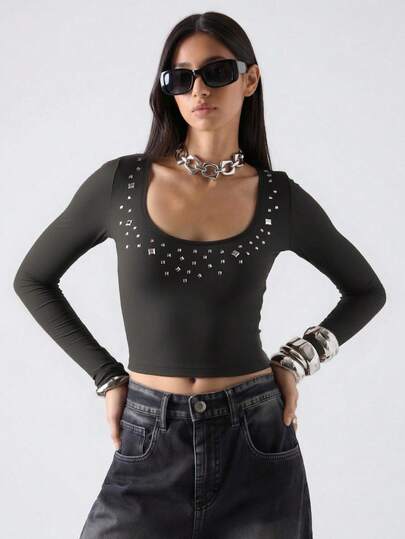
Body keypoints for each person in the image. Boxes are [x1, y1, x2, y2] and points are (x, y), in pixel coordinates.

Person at [13, 11, 386, 539]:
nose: (198, 89)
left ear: (249, 80)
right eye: (181, 77)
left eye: (216, 72)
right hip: (149, 438)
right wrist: (107, 376)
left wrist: (297, 360)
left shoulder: (277, 198)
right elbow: (33, 278)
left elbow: (366, 291)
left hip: (256, 440)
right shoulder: (122, 184)